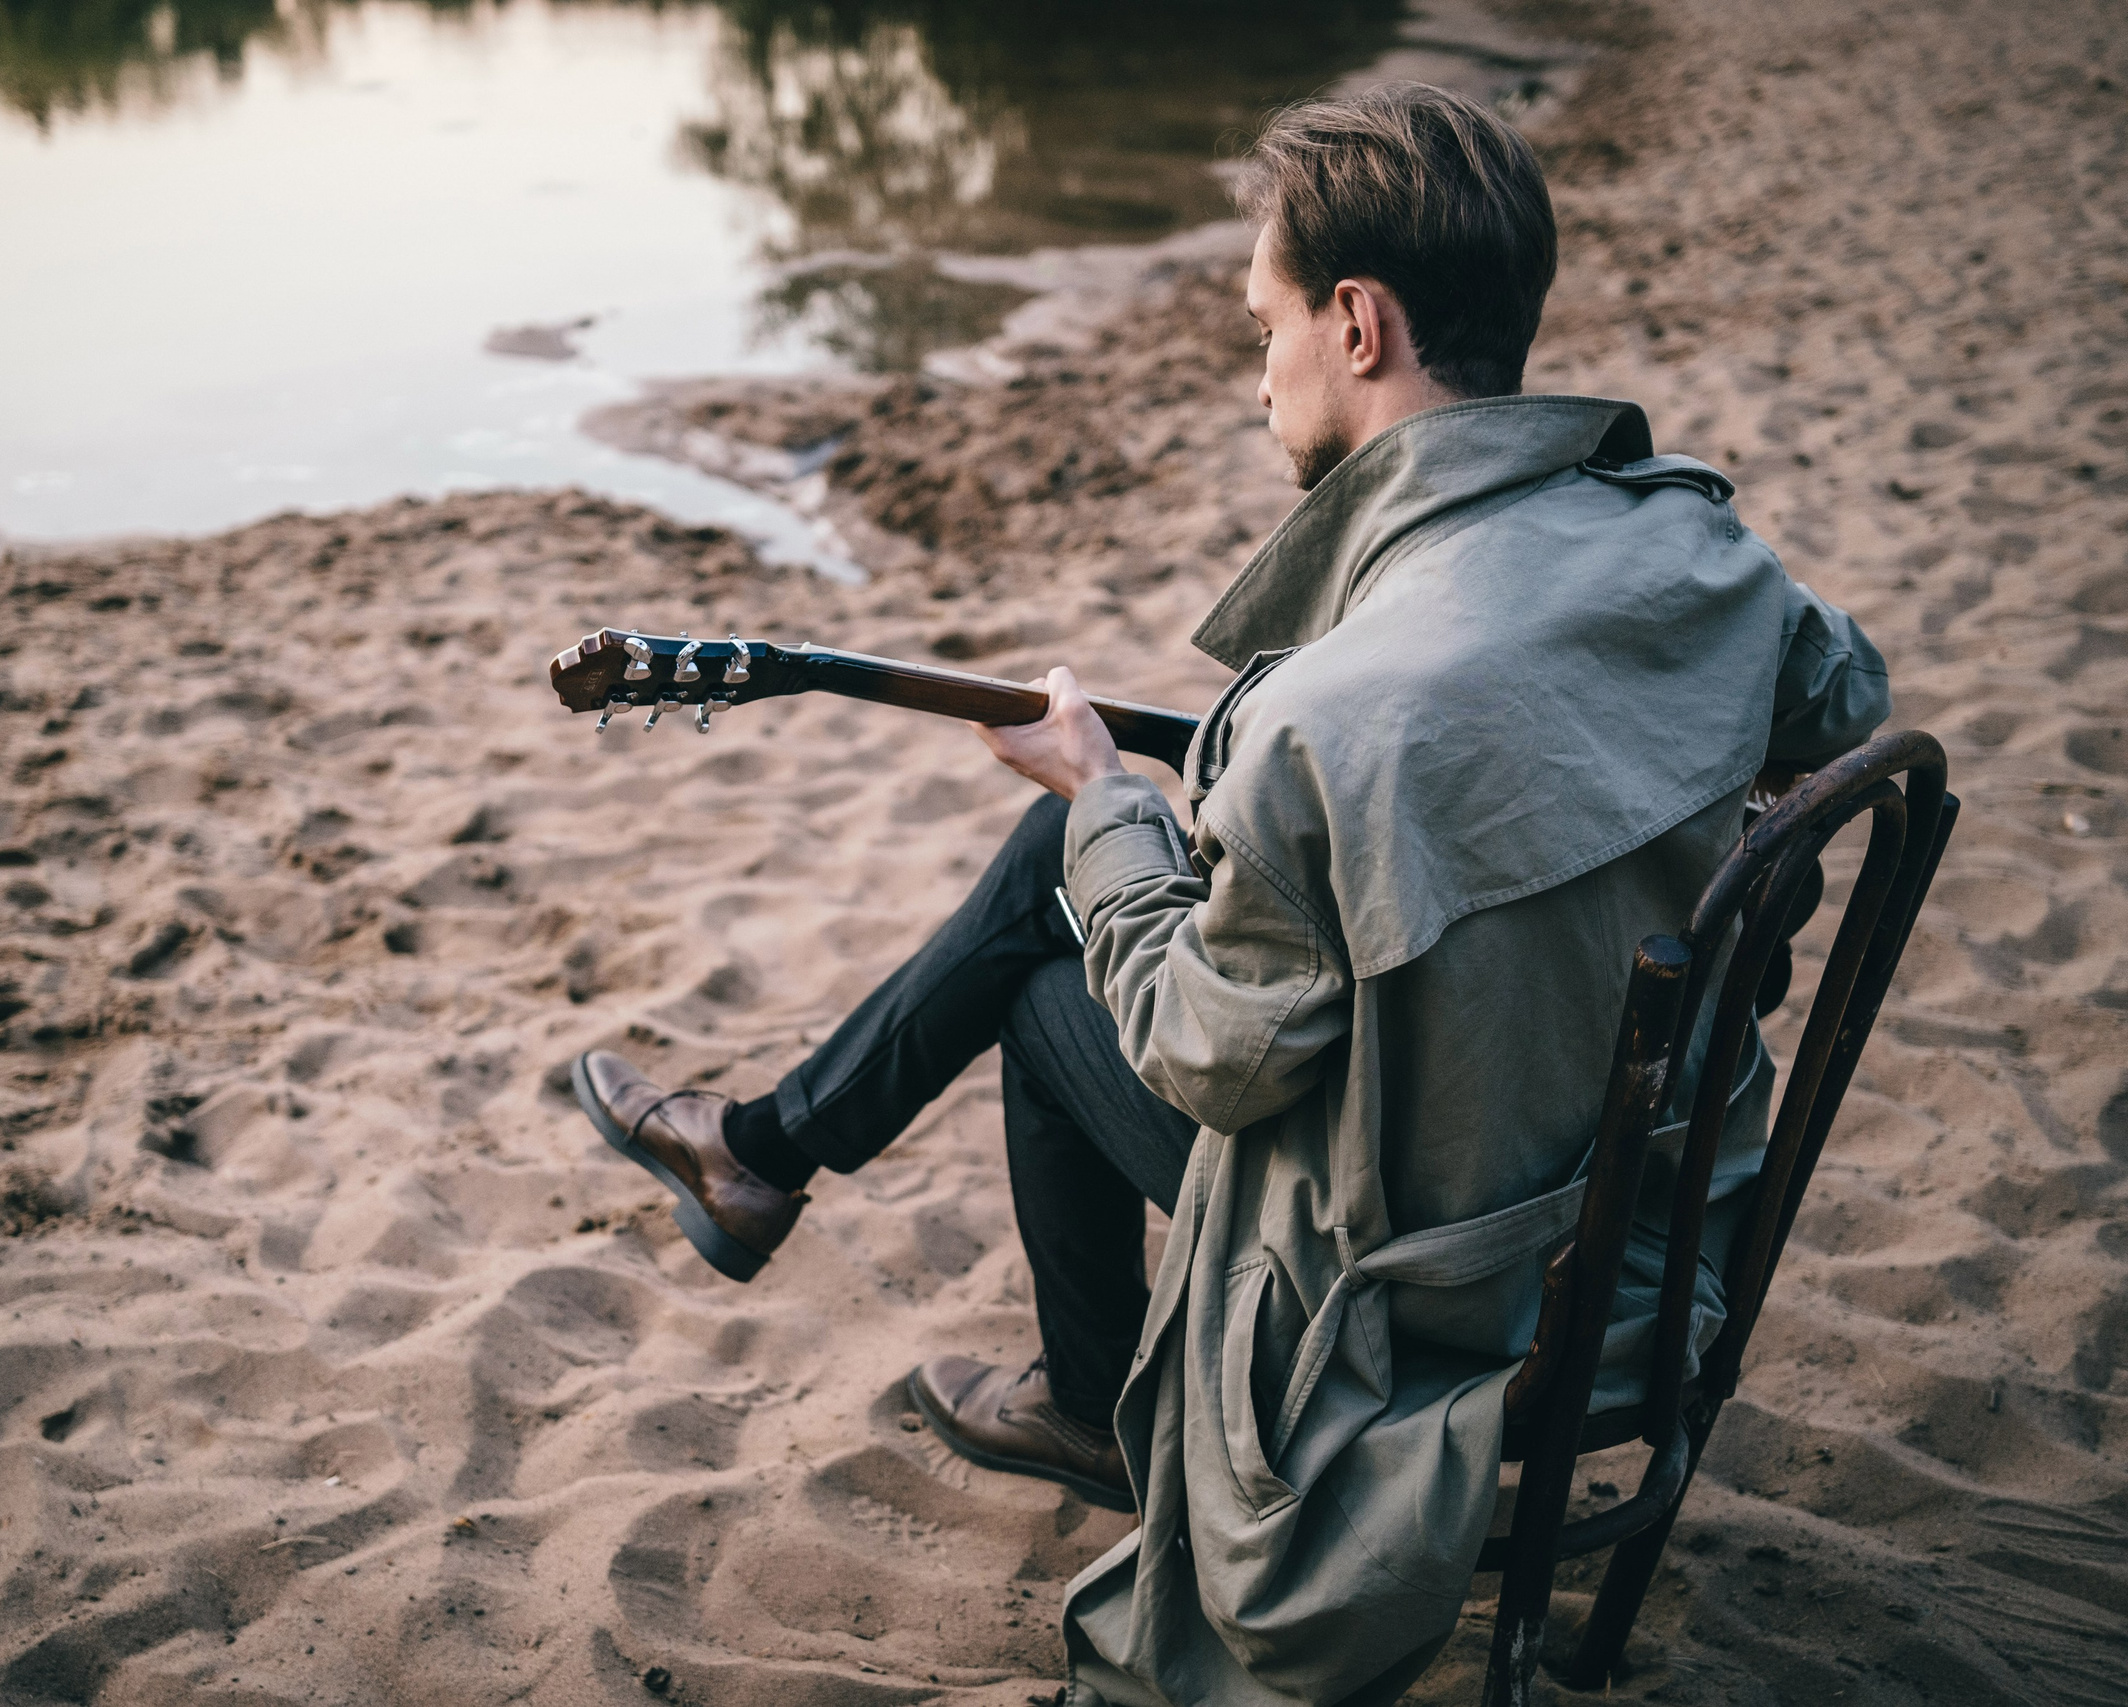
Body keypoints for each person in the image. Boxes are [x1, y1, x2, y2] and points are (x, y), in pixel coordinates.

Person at [571, 82, 1889, 1705]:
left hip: (1424, 1288)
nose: (1258, 372)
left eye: (1265, 327)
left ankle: (920, 1273)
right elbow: (1843, 703)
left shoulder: (1328, 714)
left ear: (1358, 325)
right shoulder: (1705, 556)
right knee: (1064, 895)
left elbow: (1211, 1056)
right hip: (1651, 1220)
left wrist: (1102, 802)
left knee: (1055, 961)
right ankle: (801, 1179)